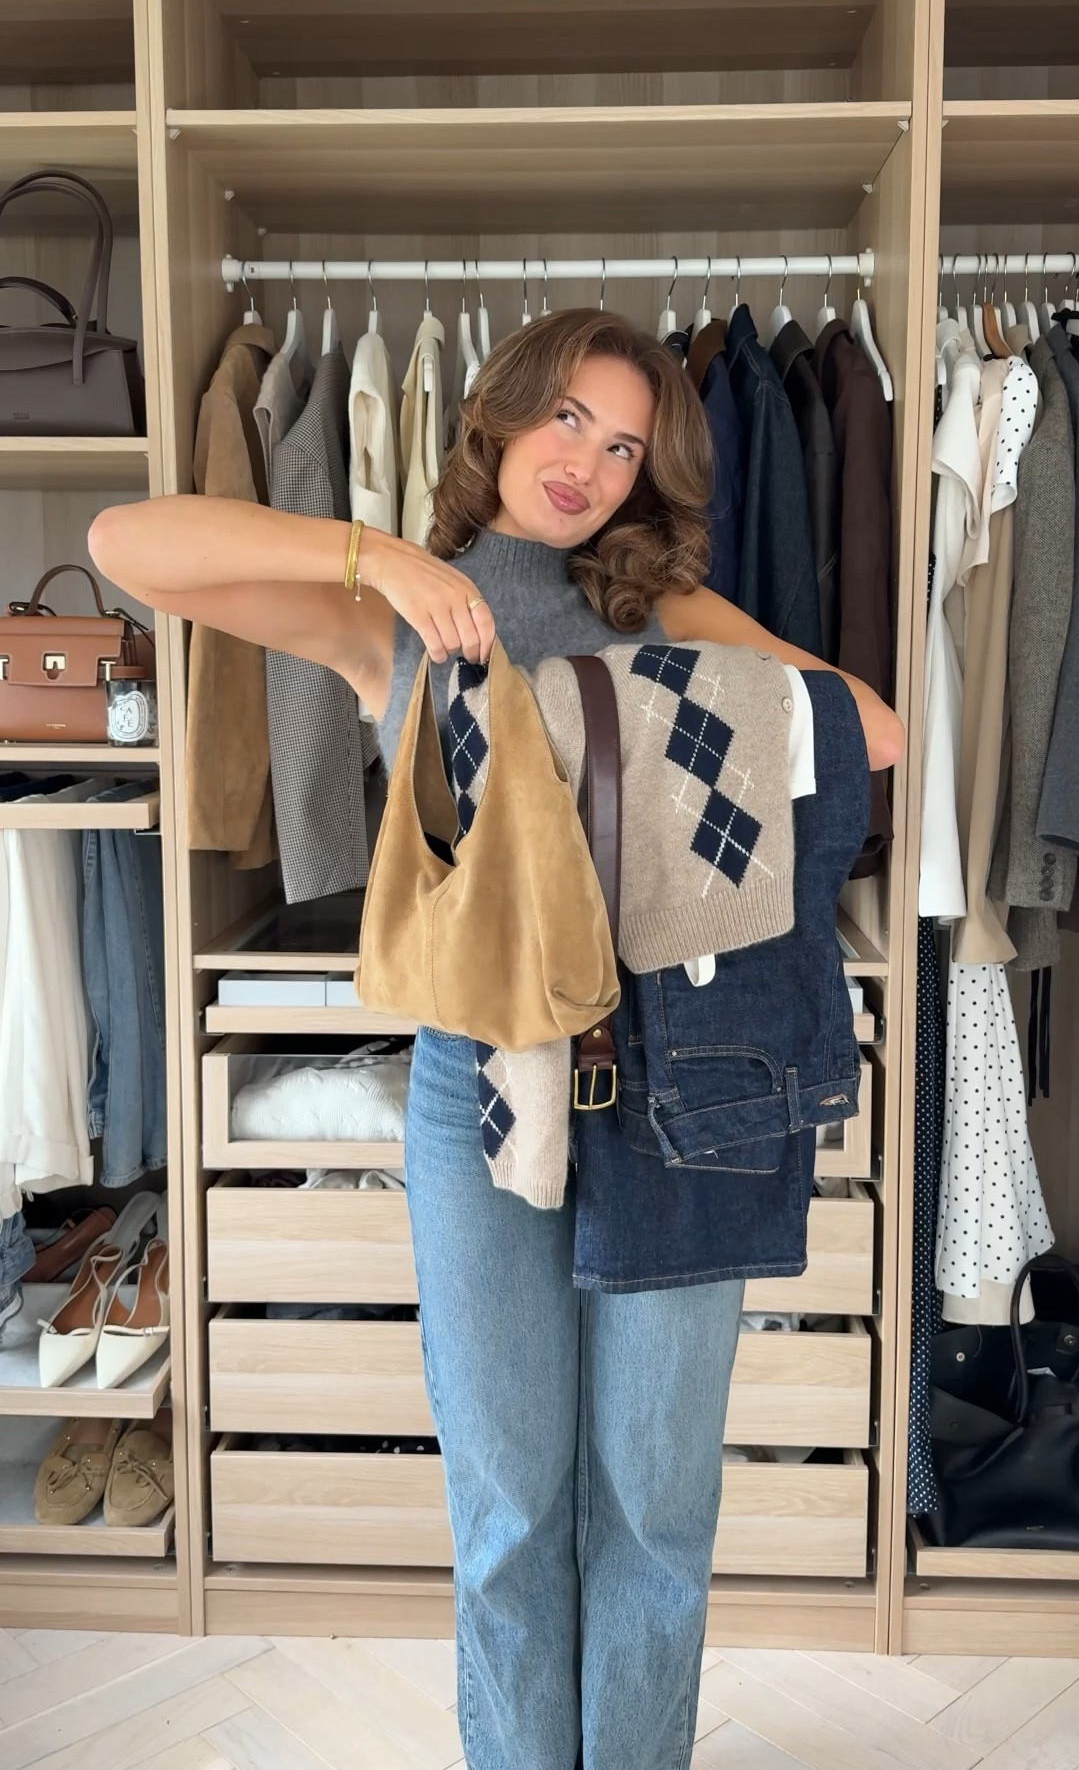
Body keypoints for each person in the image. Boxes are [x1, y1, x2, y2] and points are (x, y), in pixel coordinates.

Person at [90, 307, 903, 1770]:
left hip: (678, 1074)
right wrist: (382, 556)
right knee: (511, 1511)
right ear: (500, 416)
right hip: (478, 1084)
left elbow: (875, 731)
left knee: (653, 1509)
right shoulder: (391, 614)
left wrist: (656, 705)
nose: (588, 460)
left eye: (625, 443)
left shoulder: (664, 611)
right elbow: (123, 544)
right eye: (566, 421)